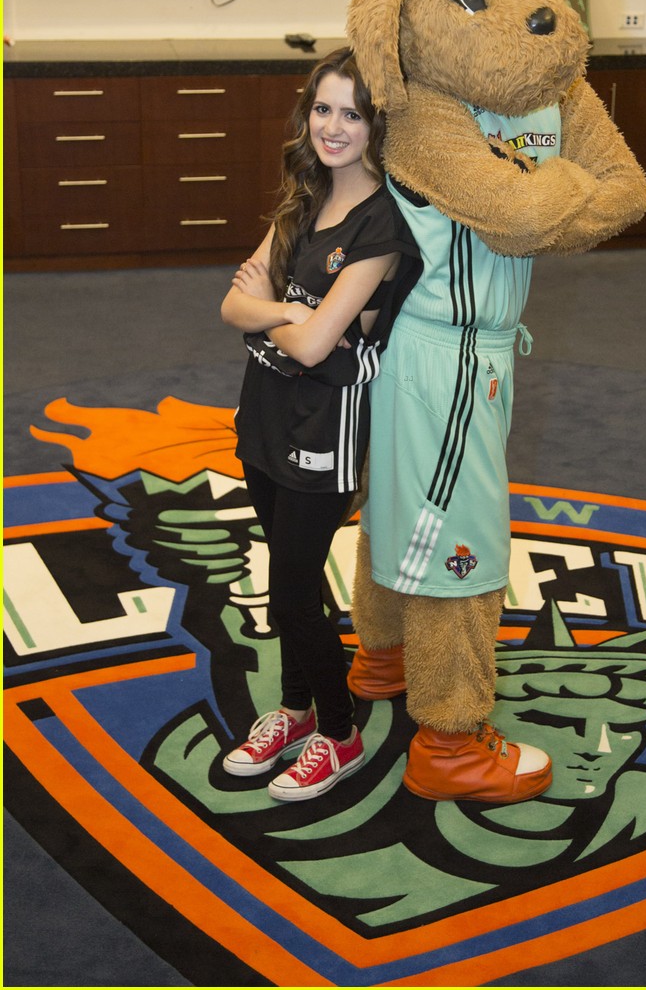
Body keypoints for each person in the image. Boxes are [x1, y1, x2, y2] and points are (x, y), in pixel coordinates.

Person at [220, 48, 419, 802]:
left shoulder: (381, 227)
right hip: (264, 412)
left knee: (296, 591)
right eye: (323, 109)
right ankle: (294, 710)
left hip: (323, 428)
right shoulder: (304, 197)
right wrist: (288, 310)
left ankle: (337, 733)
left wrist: (281, 316)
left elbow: (309, 345)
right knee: (283, 577)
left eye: (352, 113)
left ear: (377, 125)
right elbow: (233, 305)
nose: (333, 127)